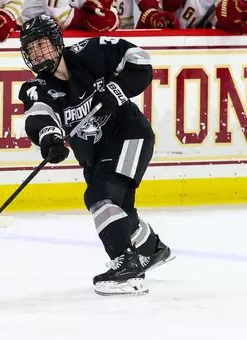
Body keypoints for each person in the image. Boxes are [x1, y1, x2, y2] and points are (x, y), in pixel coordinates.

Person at [17, 14, 175, 296]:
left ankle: (126, 265)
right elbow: (38, 116)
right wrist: (50, 139)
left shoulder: (90, 52)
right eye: (31, 49)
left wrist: (117, 91)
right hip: (93, 154)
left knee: (100, 195)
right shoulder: (36, 87)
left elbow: (139, 60)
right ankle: (152, 251)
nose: (37, 53)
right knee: (120, 210)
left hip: (129, 134)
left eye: (41, 44)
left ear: (56, 42)